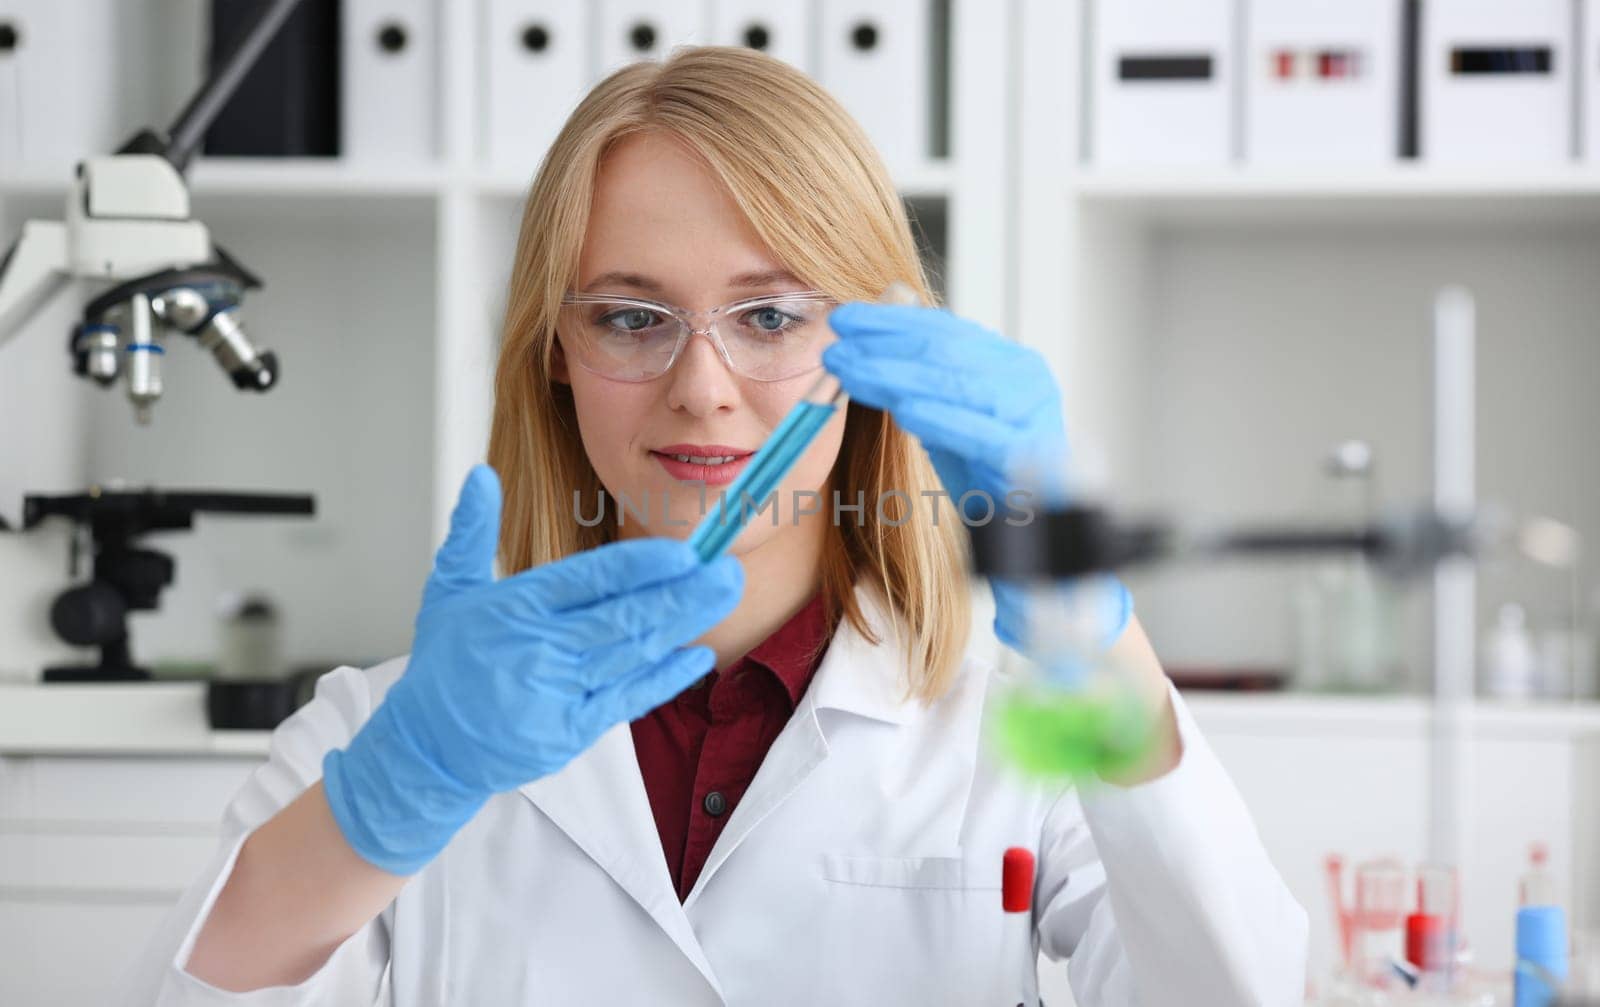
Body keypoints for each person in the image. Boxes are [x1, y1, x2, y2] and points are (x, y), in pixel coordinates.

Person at [121, 46, 1306, 1005]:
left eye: (772, 313)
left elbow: (1239, 990)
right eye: (634, 318)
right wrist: (392, 795)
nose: (703, 385)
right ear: (555, 358)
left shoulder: (1009, 733)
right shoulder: (385, 731)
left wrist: (1092, 636)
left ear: (872, 353)